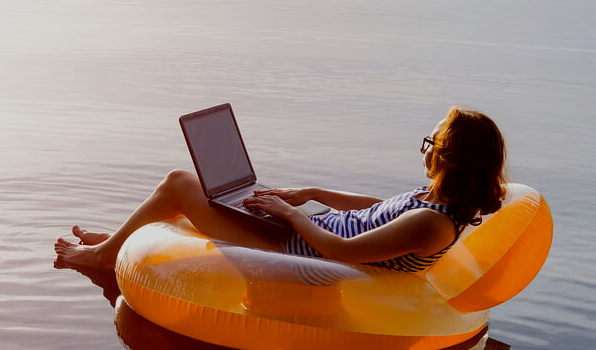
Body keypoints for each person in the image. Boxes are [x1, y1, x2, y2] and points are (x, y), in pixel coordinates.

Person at [55, 107, 507, 271]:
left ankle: (104, 254)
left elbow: (342, 254)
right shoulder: (438, 201)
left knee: (179, 183)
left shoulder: (433, 225)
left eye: (430, 143)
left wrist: (290, 215)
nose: (423, 150)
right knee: (216, 191)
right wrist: (311, 192)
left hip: (295, 246)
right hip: (307, 227)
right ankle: (117, 239)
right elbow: (379, 209)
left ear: (449, 157)